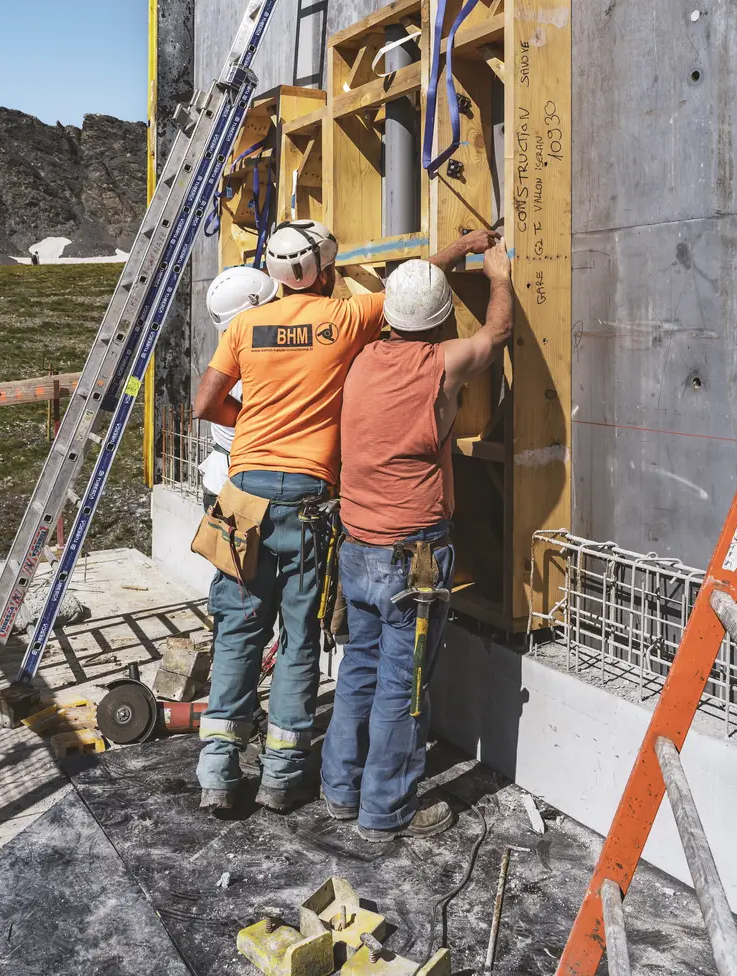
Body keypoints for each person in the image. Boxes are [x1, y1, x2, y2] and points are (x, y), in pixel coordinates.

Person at [192, 219, 497, 812]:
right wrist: (468, 245)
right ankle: (282, 777)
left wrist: (254, 425)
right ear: (327, 272)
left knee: (237, 632)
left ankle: (218, 776)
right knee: (300, 637)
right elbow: (417, 286)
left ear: (274, 278)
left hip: (241, 497)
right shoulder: (344, 317)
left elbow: (206, 403)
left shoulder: (247, 325)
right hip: (306, 502)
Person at [321, 238, 513, 841]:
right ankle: (386, 810)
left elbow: (408, 302)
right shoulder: (441, 365)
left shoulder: (358, 357)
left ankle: (340, 789)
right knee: (402, 689)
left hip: (356, 544)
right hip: (414, 555)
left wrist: (454, 250)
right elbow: (498, 335)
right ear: (438, 321)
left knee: (359, 669)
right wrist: (499, 275)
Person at [197, 266, 279, 513]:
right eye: (273, 303)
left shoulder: (228, 358)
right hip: (238, 491)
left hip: (224, 483)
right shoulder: (251, 366)